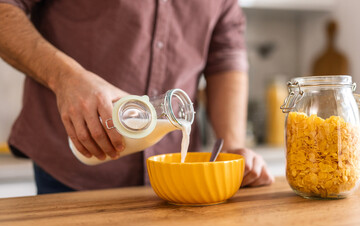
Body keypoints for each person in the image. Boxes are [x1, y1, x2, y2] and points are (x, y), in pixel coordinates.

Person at [0, 0, 274, 194]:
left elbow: (226, 56)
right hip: (70, 168)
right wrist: (66, 77)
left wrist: (234, 146)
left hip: (176, 179)